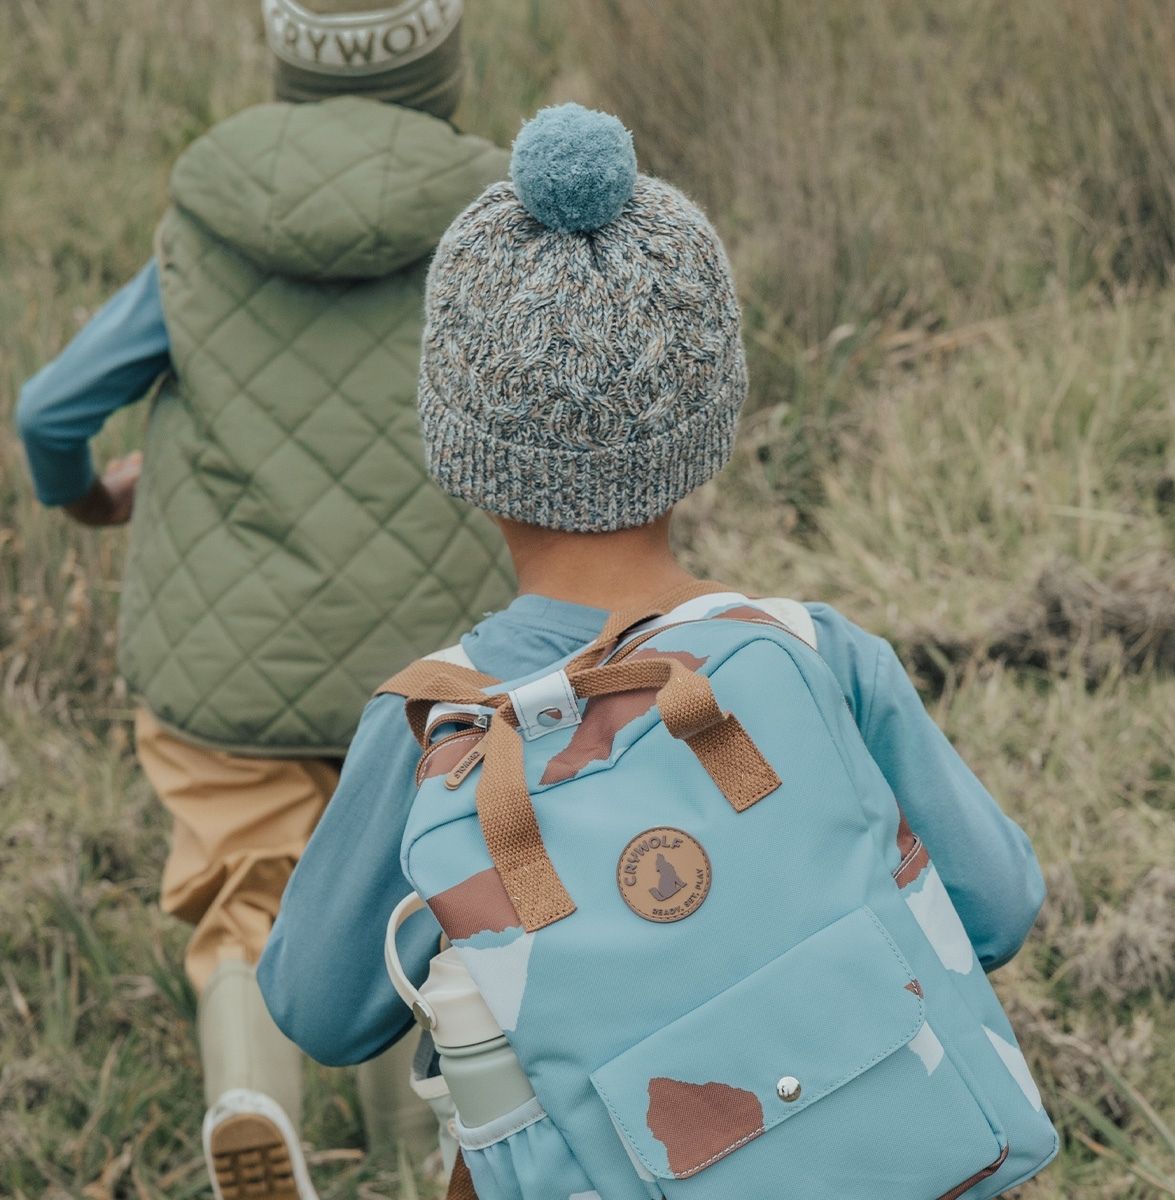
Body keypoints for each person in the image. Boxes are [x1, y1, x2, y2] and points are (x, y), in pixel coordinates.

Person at [257, 102, 1047, 1180]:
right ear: (709, 417)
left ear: (461, 445)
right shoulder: (813, 650)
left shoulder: (430, 729)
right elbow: (996, 910)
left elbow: (320, 1012)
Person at [14, 2, 514, 1197]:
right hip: (429, 663)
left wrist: (86, 497)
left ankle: (252, 1107)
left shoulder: (201, 220)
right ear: (443, 67)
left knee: (244, 890)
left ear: (286, 64)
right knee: (415, 886)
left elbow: (49, 412)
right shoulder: (494, 226)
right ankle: (417, 1156)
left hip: (221, 663)